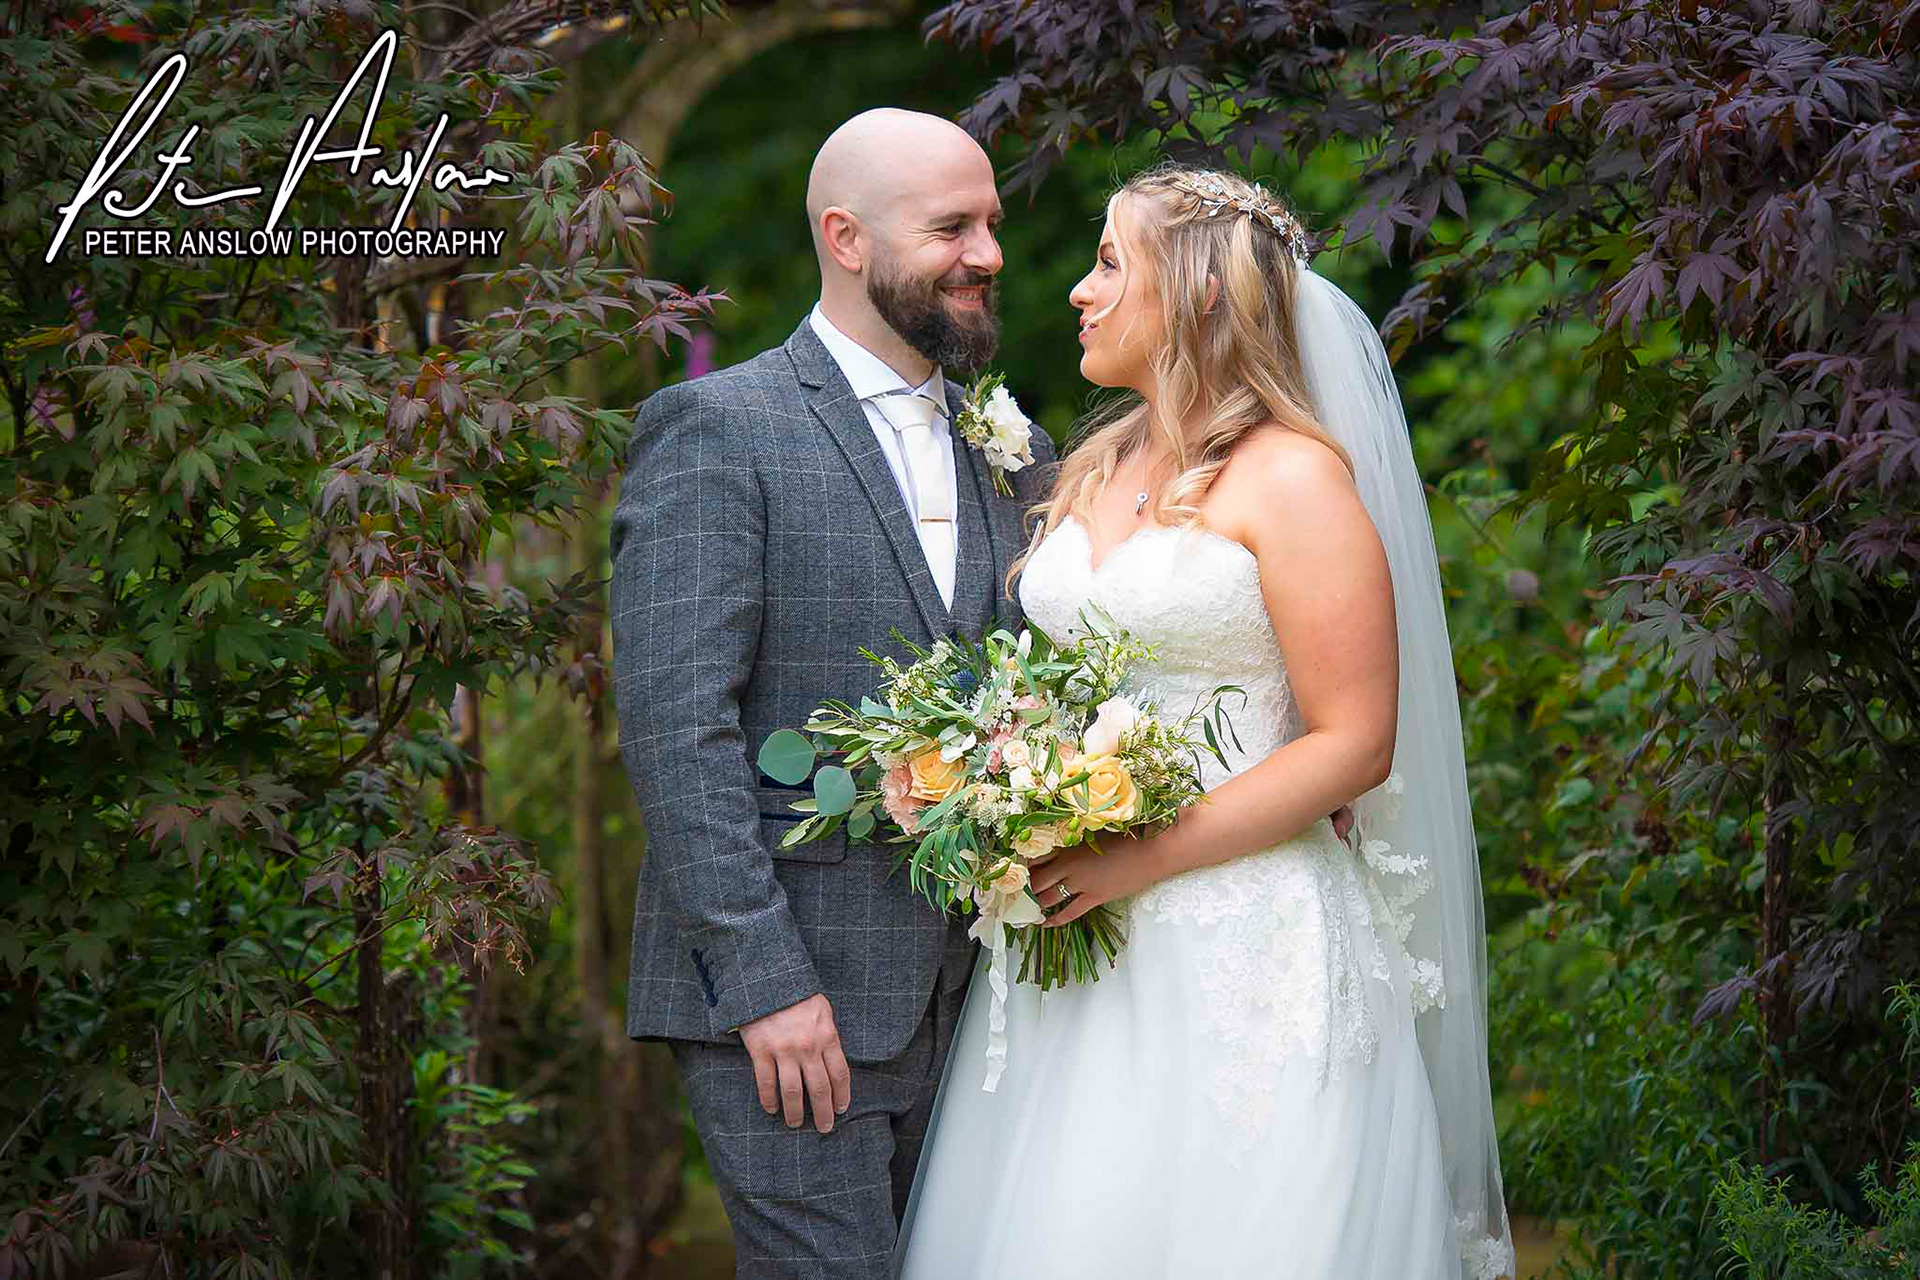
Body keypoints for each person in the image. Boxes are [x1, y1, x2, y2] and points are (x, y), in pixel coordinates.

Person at [892, 164, 1515, 1278]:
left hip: (1250, 943)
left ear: (1200, 290)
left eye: (1109, 264)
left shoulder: (1294, 480)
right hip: (1077, 945)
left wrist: (1137, 855)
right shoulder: (1095, 464)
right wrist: (1006, 775)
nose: (1079, 291)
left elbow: (1355, 741)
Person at [608, 108, 1054, 1276]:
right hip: (794, 1006)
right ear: (846, 238)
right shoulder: (717, 428)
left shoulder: (1016, 448)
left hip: (986, 1005)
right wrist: (765, 985)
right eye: (951, 227)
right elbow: (678, 729)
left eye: (993, 223)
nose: (988, 253)